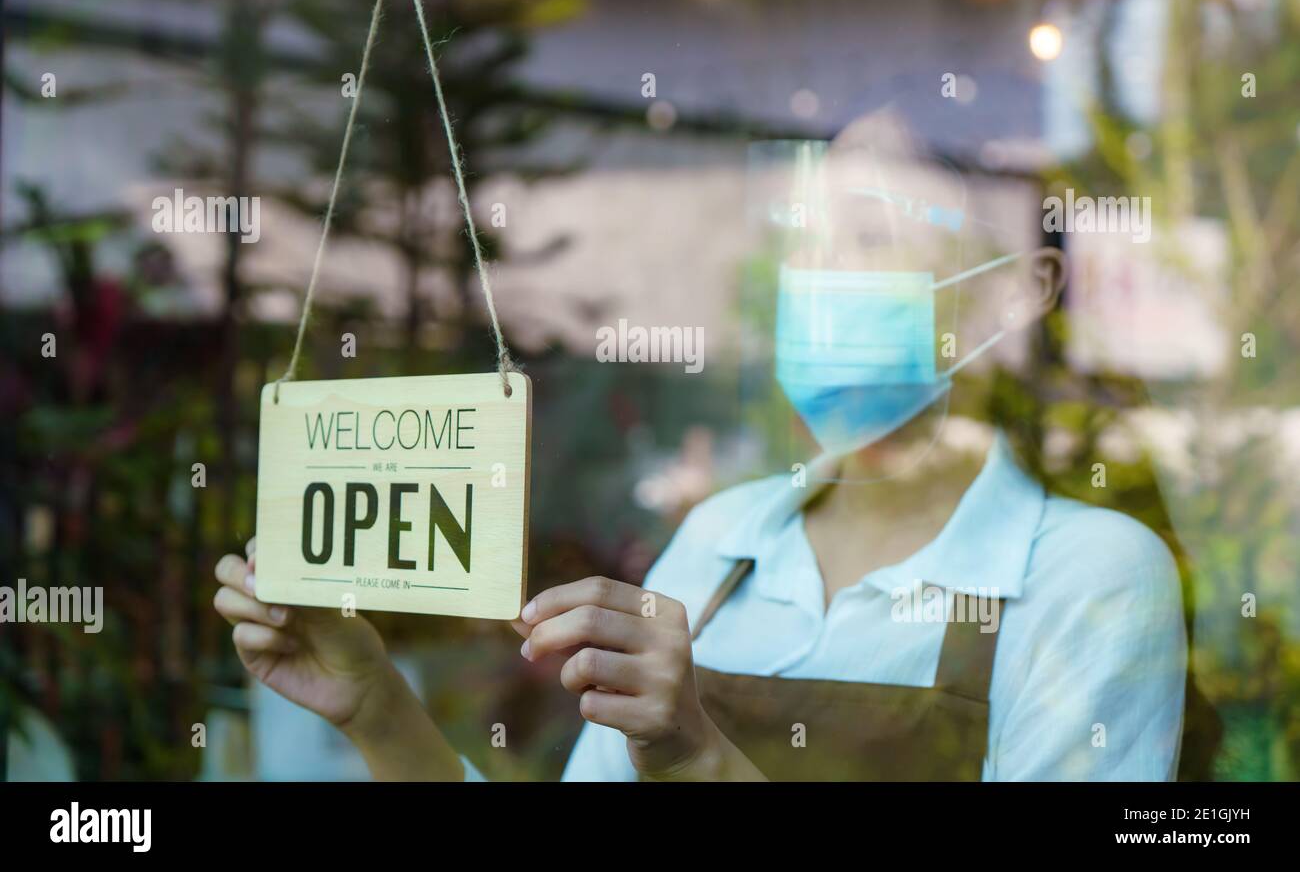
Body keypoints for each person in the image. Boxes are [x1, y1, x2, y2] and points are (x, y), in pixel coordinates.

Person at [214, 125, 1187, 781]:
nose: (819, 275)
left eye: (868, 236)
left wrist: (699, 759)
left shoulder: (1088, 576)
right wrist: (376, 706)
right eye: (805, 239)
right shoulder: (722, 539)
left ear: (1003, 296)